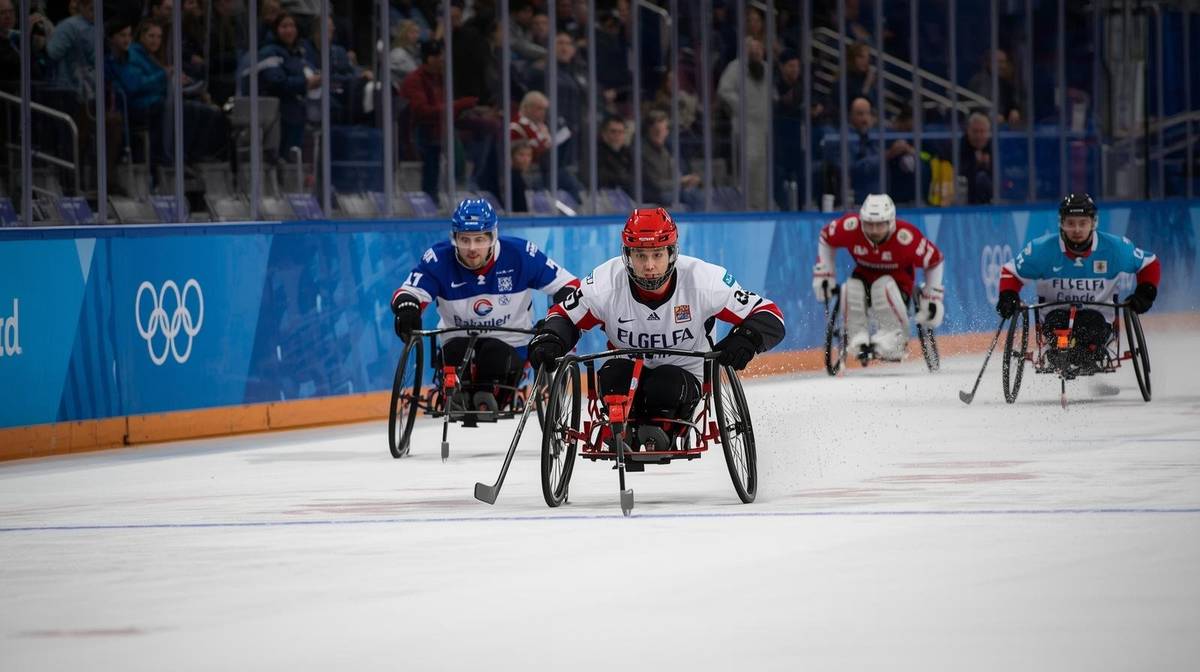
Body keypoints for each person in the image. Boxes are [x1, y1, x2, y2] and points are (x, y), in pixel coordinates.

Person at [527, 207, 785, 450]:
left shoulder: (705, 280)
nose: (649, 266)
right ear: (627, 255)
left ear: (672, 253)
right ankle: (623, 429)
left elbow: (769, 313)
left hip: (683, 373)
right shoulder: (603, 283)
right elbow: (565, 315)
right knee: (611, 377)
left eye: (657, 255)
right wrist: (551, 338)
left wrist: (746, 339)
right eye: (640, 255)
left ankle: (663, 429)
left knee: (664, 385)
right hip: (624, 369)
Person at [390, 199, 580, 412]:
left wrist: (554, 321)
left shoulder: (521, 254)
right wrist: (407, 309)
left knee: (494, 352)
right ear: (455, 238)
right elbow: (409, 292)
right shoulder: (438, 259)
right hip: (457, 340)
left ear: (492, 237)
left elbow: (569, 285)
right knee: (454, 351)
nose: (472, 248)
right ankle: (456, 393)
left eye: (479, 239)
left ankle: (491, 396)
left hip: (510, 342)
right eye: (465, 240)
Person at [997, 193, 1160, 374]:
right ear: (1061, 223)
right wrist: (1008, 295)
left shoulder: (1115, 248)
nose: (1076, 230)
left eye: (1083, 223)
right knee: (1057, 325)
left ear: (1093, 223)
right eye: (1071, 223)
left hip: (1098, 318)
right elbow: (1011, 272)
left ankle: (1088, 353)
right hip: (1054, 316)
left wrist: (1145, 292)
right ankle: (1060, 354)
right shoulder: (1041, 249)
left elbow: (1149, 263)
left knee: (1091, 326)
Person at [812, 193, 945, 363]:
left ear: (891, 222)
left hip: (898, 286)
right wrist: (825, 272)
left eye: (879, 225)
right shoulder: (850, 227)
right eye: (869, 224)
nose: (874, 230)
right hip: (864, 279)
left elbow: (935, 260)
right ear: (861, 221)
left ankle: (893, 337)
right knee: (849, 287)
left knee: (882, 286)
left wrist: (932, 297)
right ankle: (856, 336)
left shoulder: (907, 237)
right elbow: (826, 237)